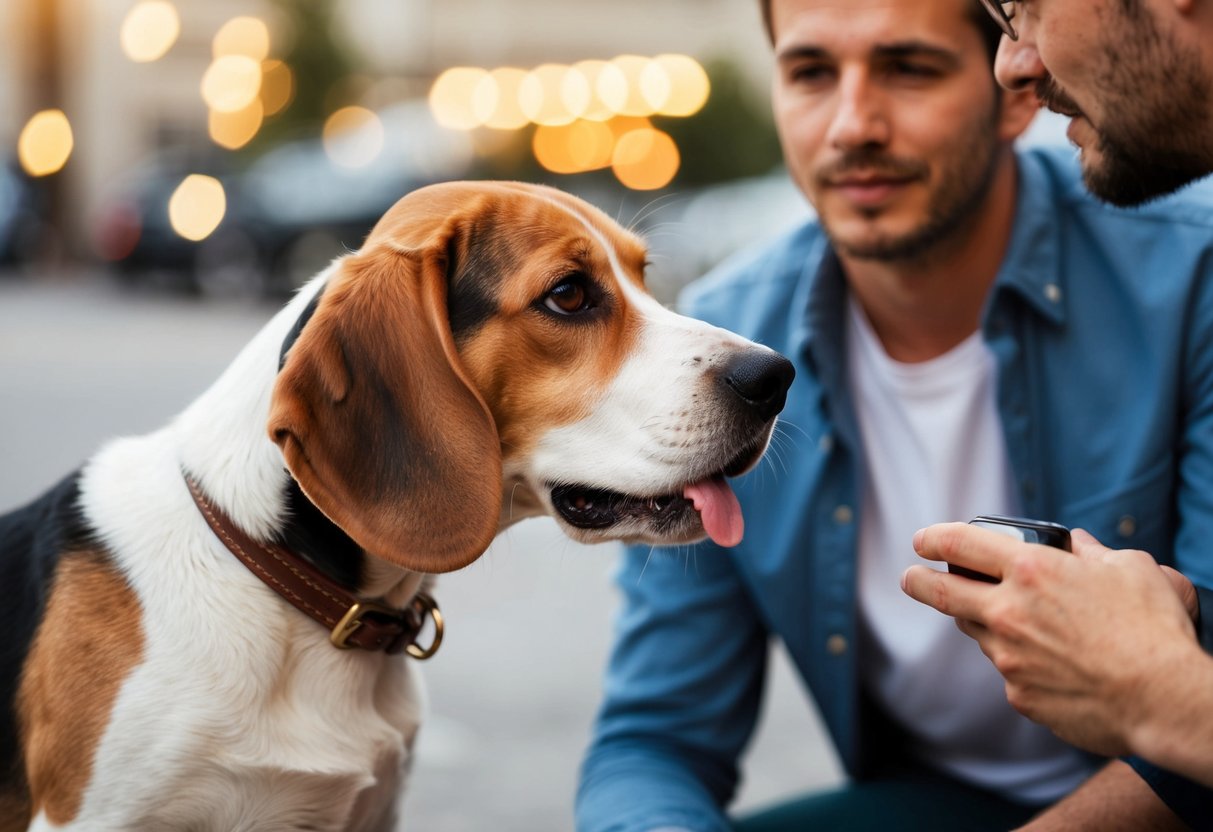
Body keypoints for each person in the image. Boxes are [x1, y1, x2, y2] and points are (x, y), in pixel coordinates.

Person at [575, 0, 1213, 829]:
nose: (852, 126)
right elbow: (654, 740)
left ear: (1015, 93)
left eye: (909, 69)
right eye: (810, 73)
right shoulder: (725, 355)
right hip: (925, 802)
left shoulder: (1190, 276)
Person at [902, 0, 1213, 827]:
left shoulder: (1191, 265)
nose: (1012, 62)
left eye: (1022, 6)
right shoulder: (740, 316)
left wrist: (1158, 688)